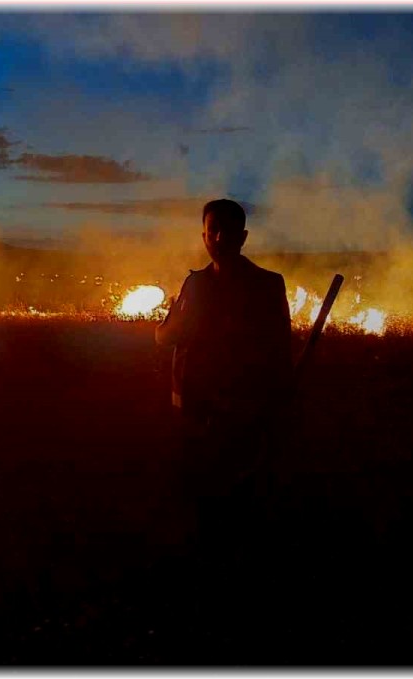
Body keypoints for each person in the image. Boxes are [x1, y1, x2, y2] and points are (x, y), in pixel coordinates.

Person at [154, 198, 293, 553]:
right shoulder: (197, 284)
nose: (217, 237)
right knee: (198, 488)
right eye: (211, 230)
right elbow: (169, 336)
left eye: (225, 230)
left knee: (236, 488)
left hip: (241, 410)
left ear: (242, 236)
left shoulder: (265, 285)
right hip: (194, 408)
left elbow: (278, 348)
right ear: (203, 236)